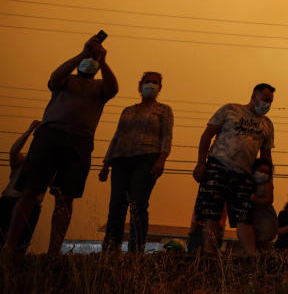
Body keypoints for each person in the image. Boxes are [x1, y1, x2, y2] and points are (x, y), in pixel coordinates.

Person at [2, 36, 118, 256]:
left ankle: (53, 253)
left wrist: (102, 60)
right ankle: (9, 247)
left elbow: (114, 89)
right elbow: (54, 77)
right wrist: (82, 54)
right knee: (30, 192)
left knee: (65, 197)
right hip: (50, 135)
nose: (89, 61)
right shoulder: (66, 81)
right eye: (89, 59)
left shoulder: (100, 86)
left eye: (91, 59)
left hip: (80, 141)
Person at [192, 83, 276, 254]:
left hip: (245, 174)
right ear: (254, 96)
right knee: (211, 212)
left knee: (244, 215)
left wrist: (268, 183)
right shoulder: (230, 109)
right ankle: (209, 253)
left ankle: (252, 255)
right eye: (265, 99)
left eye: (271, 101)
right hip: (218, 166)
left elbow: (266, 156)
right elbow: (207, 135)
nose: (268, 104)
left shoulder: (267, 124)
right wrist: (201, 163)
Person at [99, 71, 174, 252]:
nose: (151, 85)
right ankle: (111, 246)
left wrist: (162, 159)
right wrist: (106, 163)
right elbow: (117, 136)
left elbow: (167, 136)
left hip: (148, 157)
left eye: (155, 82)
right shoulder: (128, 110)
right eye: (147, 81)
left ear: (160, 88)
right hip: (120, 158)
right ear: (140, 85)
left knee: (138, 203)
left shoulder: (163, 110)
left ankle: (136, 248)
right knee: (116, 204)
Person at [0, 120, 44, 253]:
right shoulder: (21, 161)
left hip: (32, 208)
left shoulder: (47, 169)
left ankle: (12, 272)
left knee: (20, 249)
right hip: (9, 201)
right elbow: (14, 150)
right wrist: (29, 130)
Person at [250, 159, 279, 251]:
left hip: (264, 218)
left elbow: (269, 200)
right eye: (261, 171)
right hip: (254, 216)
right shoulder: (251, 183)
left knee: (264, 242)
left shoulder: (267, 185)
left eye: (266, 172)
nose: (263, 174)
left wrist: (256, 200)